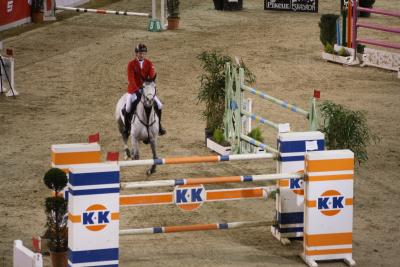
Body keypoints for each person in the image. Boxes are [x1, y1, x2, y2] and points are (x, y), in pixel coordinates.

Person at [123, 43, 166, 136]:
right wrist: (137, 90)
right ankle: (127, 128)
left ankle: (159, 126)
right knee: (128, 107)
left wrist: (150, 86)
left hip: (146, 90)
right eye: (140, 53)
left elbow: (151, 76)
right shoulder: (131, 64)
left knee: (159, 105)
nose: (141, 54)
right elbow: (131, 79)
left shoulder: (149, 63)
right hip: (133, 90)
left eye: (143, 53)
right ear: (136, 53)